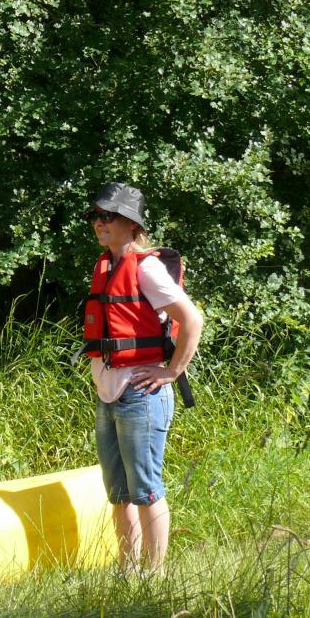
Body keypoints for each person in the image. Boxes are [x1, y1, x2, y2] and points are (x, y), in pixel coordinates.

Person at [79, 182, 203, 574]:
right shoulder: (106, 265)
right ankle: (128, 570)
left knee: (146, 489)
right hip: (110, 392)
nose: (101, 223)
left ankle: (155, 573)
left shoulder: (146, 267)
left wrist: (172, 371)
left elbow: (192, 320)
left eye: (109, 216)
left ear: (132, 225)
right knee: (119, 493)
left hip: (141, 392)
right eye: (97, 216)